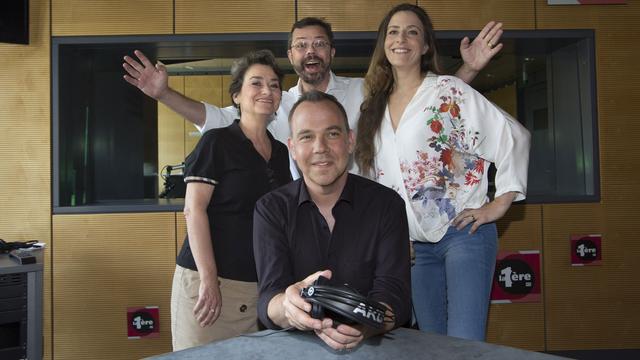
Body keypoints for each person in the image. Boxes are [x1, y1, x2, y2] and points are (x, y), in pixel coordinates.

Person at [122, 17, 504, 177]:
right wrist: (164, 94)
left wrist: (468, 70)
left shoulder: (363, 90)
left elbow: (428, 105)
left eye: (319, 44)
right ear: (291, 55)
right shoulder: (276, 105)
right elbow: (217, 119)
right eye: (301, 45)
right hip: (304, 221)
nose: (311, 51)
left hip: (367, 216)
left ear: (332, 53)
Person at [355, 4, 531, 341]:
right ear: (383, 44)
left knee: (464, 342)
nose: (401, 38)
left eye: (412, 31)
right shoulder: (373, 108)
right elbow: (374, 183)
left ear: (425, 46)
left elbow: (513, 136)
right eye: (393, 31)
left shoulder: (448, 91)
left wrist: (499, 204)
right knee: (432, 343)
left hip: (463, 235)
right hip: (413, 249)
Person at [252, 91, 411, 351]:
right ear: (292, 148)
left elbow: (396, 295)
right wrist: (288, 307)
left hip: (377, 348)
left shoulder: (387, 205)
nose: (320, 148)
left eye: (332, 134)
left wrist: (364, 324)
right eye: (307, 136)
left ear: (350, 141)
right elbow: (269, 298)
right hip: (295, 349)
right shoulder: (270, 209)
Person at [171, 50, 292, 350]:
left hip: (258, 290)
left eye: (274, 85)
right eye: (256, 83)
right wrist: (209, 281)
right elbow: (193, 210)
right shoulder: (217, 142)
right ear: (236, 95)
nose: (267, 90)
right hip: (210, 286)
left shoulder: (280, 153)